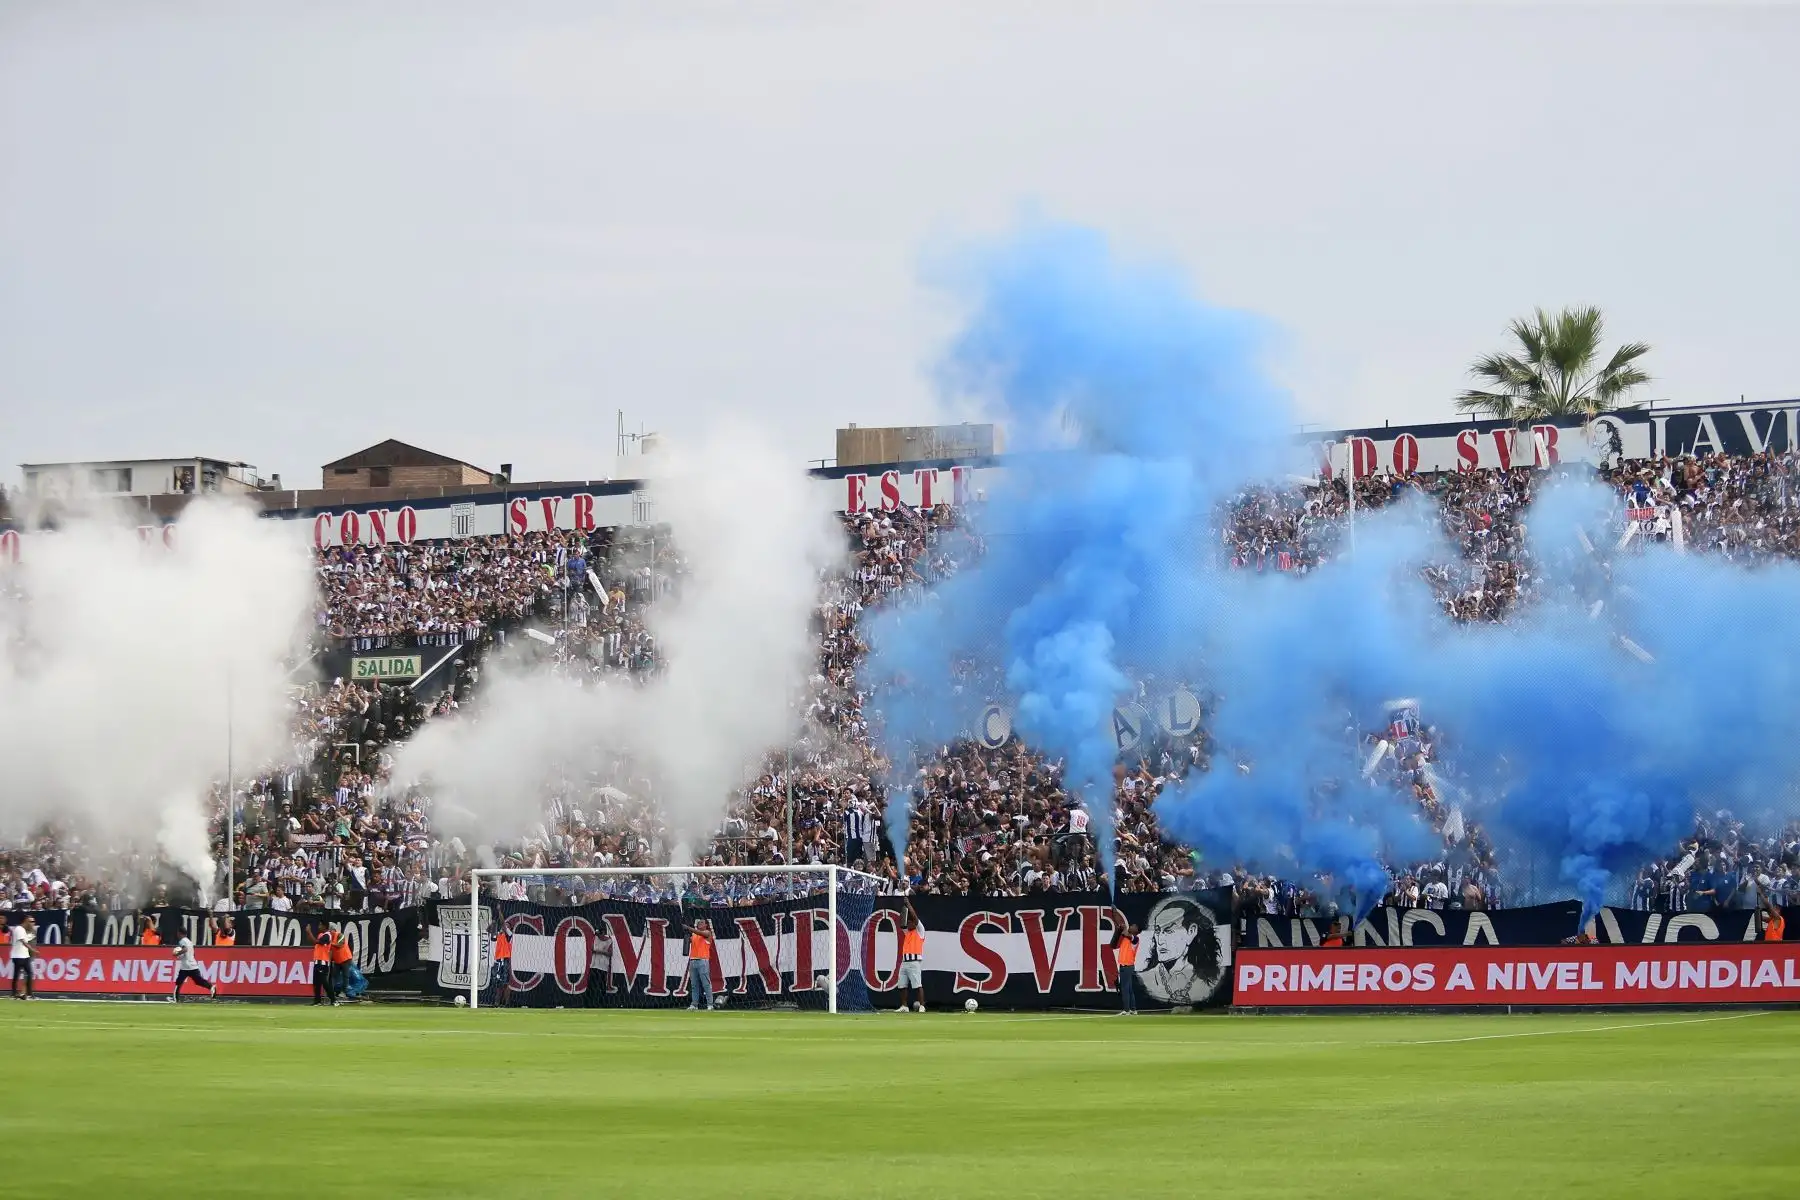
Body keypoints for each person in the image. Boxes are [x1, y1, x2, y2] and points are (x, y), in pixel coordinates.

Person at [170, 934, 216, 1002]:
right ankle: (211, 987)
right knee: (198, 981)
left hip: (185, 967)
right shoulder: (190, 942)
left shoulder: (182, 941)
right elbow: (192, 954)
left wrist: (177, 953)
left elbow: (185, 949)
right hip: (193, 966)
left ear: (179, 933)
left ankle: (175, 999)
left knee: (178, 983)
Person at [898, 902, 926, 1013]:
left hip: (914, 962)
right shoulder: (907, 932)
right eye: (908, 922)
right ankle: (904, 1006)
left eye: (911, 922)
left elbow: (915, 917)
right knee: (902, 985)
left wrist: (909, 905)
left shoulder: (920, 931)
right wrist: (904, 909)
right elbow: (902, 922)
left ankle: (922, 1006)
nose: (908, 924)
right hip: (904, 962)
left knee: (917, 985)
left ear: (915, 923)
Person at [685, 918, 716, 1011]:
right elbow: (688, 941)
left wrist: (688, 928)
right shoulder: (694, 935)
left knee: (706, 984)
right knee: (694, 985)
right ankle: (694, 1004)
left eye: (702, 922)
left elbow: (701, 933)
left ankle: (710, 1005)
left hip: (703, 961)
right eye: (699, 922)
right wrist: (686, 933)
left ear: (706, 925)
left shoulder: (707, 933)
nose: (699, 923)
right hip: (693, 960)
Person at [1114, 923, 1140, 1015]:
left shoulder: (1135, 939)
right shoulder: (1126, 938)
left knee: (1124, 988)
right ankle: (1133, 1009)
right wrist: (1120, 928)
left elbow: (1125, 933)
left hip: (1127, 966)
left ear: (1137, 930)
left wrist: (1124, 928)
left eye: (1133, 926)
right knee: (1129, 989)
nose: (1130, 927)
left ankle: (1126, 1010)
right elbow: (1119, 937)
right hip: (1125, 966)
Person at [8, 916, 36, 1000]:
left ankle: (28, 993)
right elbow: (23, 942)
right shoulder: (19, 929)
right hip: (18, 956)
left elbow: (26, 939)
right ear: (25, 921)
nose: (30, 923)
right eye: (29, 921)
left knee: (29, 973)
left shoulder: (23, 930)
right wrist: (32, 950)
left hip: (24, 955)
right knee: (17, 974)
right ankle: (14, 992)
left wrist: (32, 933)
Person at [328, 927, 354, 1004]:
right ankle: (331, 992)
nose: (329, 933)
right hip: (337, 961)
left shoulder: (340, 935)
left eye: (330, 931)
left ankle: (343, 992)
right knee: (334, 976)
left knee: (345, 976)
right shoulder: (329, 938)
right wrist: (329, 961)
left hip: (346, 959)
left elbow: (340, 945)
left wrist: (331, 943)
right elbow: (330, 951)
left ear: (334, 931)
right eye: (329, 932)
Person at [312, 930, 335, 1006]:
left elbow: (317, 941)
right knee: (316, 983)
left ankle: (333, 1000)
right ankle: (317, 1001)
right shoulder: (321, 936)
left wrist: (309, 933)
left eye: (320, 925)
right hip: (317, 962)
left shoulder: (327, 935)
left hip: (323, 963)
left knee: (324, 983)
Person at [492, 924, 513, 1007]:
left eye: (507, 926)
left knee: (505, 983)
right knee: (498, 983)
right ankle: (496, 1003)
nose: (504, 927)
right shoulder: (498, 935)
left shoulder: (509, 935)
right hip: (497, 961)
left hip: (505, 960)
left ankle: (507, 1004)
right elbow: (491, 935)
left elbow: (504, 924)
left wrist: (500, 915)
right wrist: (493, 922)